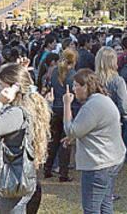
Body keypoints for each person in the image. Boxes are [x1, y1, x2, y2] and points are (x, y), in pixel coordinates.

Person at [0, 61, 51, 213]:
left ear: (13, 88)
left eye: (1, 84)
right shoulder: (30, 105)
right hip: (18, 177)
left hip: (11, 180)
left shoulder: (17, 113)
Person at [62, 69, 126, 214]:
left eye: (75, 85)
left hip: (99, 165)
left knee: (92, 209)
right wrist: (75, 137)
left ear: (85, 87)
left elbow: (71, 130)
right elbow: (93, 127)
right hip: (111, 159)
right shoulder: (101, 100)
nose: (73, 89)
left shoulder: (92, 105)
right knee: (105, 205)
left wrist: (66, 104)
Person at [43, 48, 77, 183]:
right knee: (66, 141)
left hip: (55, 108)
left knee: (54, 141)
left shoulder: (54, 71)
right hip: (67, 108)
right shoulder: (73, 75)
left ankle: (47, 168)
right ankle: (63, 172)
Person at [95, 46, 127, 122]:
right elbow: (124, 104)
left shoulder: (91, 79)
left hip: (96, 119)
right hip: (114, 120)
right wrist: (126, 117)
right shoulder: (118, 81)